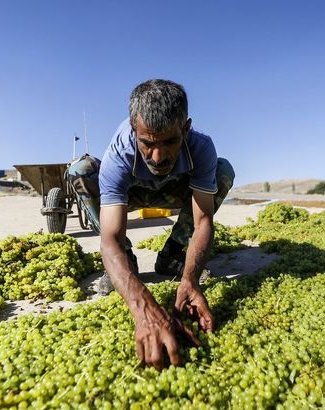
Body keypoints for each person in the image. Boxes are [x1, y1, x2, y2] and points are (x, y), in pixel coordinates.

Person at [67, 79, 234, 370]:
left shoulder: (201, 148)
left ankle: (172, 256)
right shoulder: (119, 155)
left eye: (170, 141)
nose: (158, 157)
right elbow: (110, 237)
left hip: (176, 190)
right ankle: (125, 264)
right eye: (148, 143)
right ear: (134, 131)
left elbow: (203, 219)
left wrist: (190, 279)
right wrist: (142, 306)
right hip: (130, 193)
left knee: (223, 171)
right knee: (79, 170)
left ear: (186, 129)